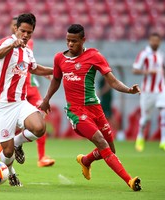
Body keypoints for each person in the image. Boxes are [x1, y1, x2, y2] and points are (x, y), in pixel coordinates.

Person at [38, 24, 142, 191]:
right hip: (76, 112)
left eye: (74, 41)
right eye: (68, 41)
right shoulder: (59, 58)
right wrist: (46, 99)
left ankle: (86, 160)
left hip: (95, 109)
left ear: (83, 40)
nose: (70, 44)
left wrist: (129, 90)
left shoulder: (94, 55)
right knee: (101, 142)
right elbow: (56, 79)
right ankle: (130, 181)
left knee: (110, 149)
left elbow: (112, 80)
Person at [0, 13, 53, 186]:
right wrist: (12, 45)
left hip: (20, 102)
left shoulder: (27, 51)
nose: (25, 35)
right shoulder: (6, 42)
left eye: (29, 32)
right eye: (23, 31)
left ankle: (18, 142)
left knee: (40, 127)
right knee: (7, 152)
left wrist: (55, 71)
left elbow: (35, 68)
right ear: (16, 29)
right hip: (1, 105)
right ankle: (11, 172)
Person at [133, 32, 165, 152]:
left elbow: (162, 70)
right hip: (148, 91)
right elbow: (135, 69)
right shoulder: (144, 54)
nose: (155, 42)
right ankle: (140, 137)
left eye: (157, 40)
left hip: (161, 89)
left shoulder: (161, 54)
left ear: (160, 42)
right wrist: (147, 72)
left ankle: (164, 141)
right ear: (149, 41)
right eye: (153, 40)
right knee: (145, 119)